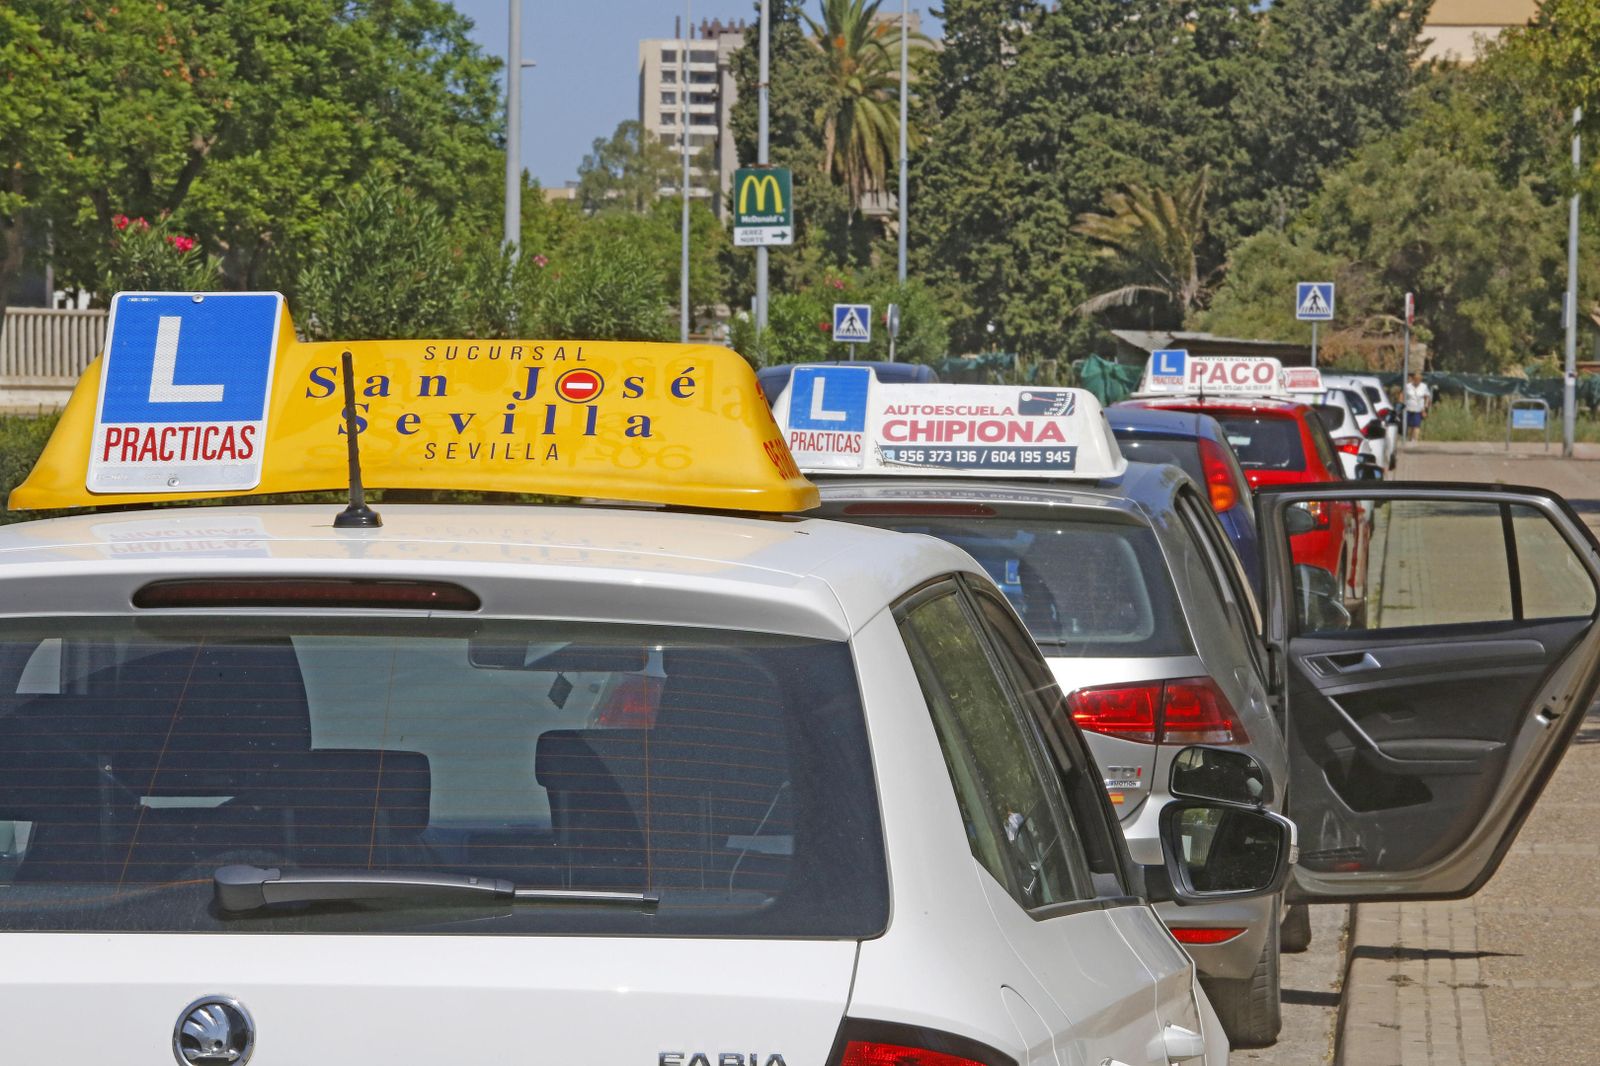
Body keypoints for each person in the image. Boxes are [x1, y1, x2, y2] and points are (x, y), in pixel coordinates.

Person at [1403, 372, 1430, 442]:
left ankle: (1415, 440)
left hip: (1419, 409)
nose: (1417, 381)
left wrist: (1425, 408)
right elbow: (1402, 395)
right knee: (1410, 425)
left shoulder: (1424, 386)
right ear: (1413, 379)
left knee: (1416, 425)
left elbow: (1427, 397)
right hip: (1408, 408)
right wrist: (1401, 404)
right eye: (1416, 379)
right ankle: (1409, 438)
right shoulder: (1408, 386)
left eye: (1419, 379)